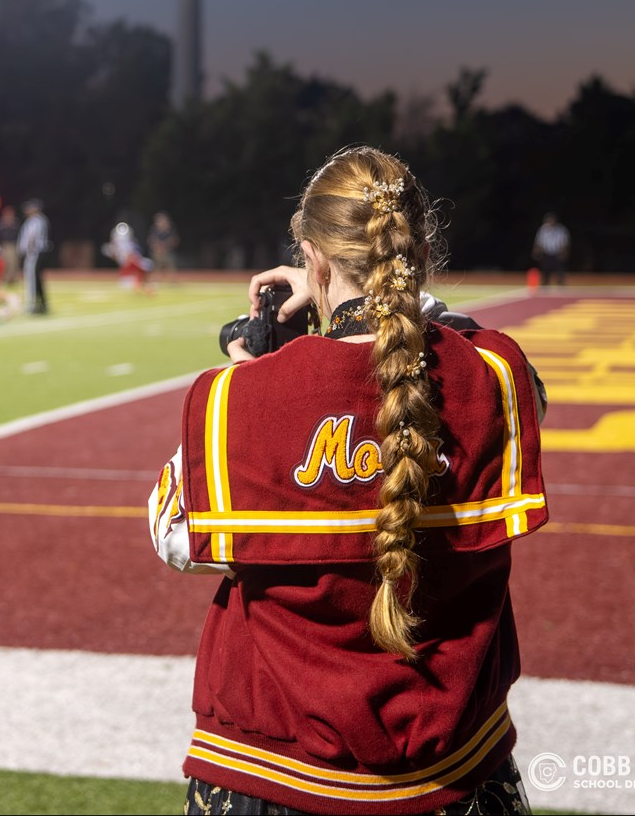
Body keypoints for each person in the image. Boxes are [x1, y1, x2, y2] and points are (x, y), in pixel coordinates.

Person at [148, 145, 546, 815]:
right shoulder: (497, 375)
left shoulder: (235, 398)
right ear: (418, 253)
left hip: (272, 771)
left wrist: (264, 362)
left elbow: (174, 537)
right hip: (455, 774)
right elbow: (482, 364)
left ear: (314, 257)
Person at [16, 199, 50, 315]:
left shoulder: (36, 220)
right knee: (35, 279)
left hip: (34, 253)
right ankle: (40, 303)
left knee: (32, 278)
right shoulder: (35, 220)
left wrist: (28, 250)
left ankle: (33, 304)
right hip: (33, 253)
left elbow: (32, 237)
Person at [101, 221, 153, 293]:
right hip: (128, 274)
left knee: (145, 266)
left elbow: (132, 260)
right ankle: (143, 284)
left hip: (131, 273)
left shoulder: (128, 246)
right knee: (146, 266)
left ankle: (143, 284)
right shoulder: (120, 247)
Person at [532, 212, 569, 287]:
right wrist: (536, 251)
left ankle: (561, 285)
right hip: (546, 253)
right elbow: (538, 241)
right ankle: (545, 285)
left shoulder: (560, 229)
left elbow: (565, 241)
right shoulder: (543, 229)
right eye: (548, 220)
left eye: (552, 220)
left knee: (559, 271)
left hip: (557, 253)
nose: (550, 222)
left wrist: (564, 252)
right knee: (545, 271)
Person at [147, 211, 180, 285]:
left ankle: (172, 281)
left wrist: (164, 246)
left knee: (170, 264)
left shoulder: (170, 229)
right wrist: (156, 247)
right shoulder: (154, 229)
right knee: (155, 266)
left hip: (167, 252)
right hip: (157, 253)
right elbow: (151, 240)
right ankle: (154, 281)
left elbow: (174, 240)